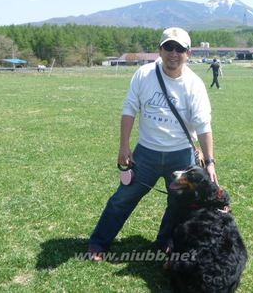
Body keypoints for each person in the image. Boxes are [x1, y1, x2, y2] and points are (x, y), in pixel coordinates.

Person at [88, 27, 218, 261]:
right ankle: (99, 243)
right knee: (122, 199)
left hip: (181, 156)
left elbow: (203, 125)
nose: (173, 53)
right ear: (160, 49)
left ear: (188, 53)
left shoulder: (194, 84)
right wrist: (123, 146)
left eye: (180, 49)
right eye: (169, 47)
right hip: (145, 155)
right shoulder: (144, 74)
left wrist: (210, 162)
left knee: (179, 203)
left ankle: (164, 242)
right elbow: (129, 109)